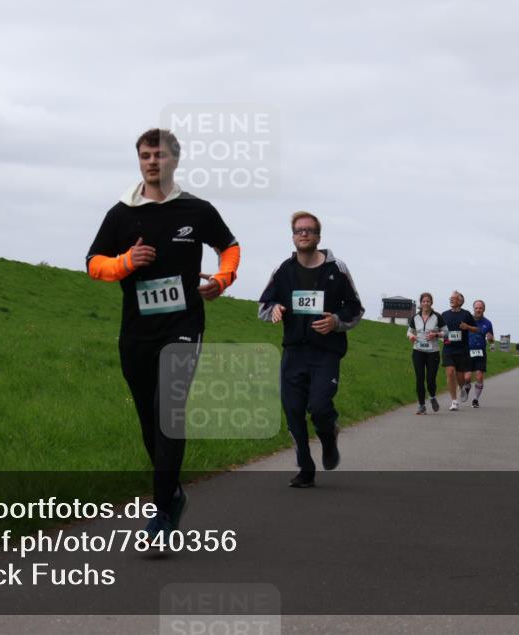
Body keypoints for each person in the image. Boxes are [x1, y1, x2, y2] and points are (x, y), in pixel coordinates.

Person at [87, 128, 240, 539]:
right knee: (148, 418)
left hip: (184, 326)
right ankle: (172, 494)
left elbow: (229, 246)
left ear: (175, 159)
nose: (152, 161)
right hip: (136, 332)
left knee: (168, 410)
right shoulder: (121, 213)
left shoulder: (196, 210)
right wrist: (125, 262)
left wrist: (222, 279)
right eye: (144, 155)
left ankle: (159, 514)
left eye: (159, 155)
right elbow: (93, 262)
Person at [258, 212, 364, 487]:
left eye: (309, 230)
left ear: (318, 236)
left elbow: (356, 308)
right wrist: (275, 309)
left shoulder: (336, 269)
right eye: (298, 230)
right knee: (292, 410)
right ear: (293, 237)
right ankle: (306, 468)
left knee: (318, 407)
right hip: (293, 351)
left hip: (326, 352)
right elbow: (264, 305)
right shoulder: (283, 270)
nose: (303, 234)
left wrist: (336, 321)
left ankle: (329, 438)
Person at [407, 292, 445, 414]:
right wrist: (411, 336)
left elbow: (446, 332)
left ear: (431, 303)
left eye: (428, 301)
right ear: (421, 303)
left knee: (430, 378)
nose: (426, 303)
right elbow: (409, 331)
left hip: (433, 352)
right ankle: (421, 405)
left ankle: (432, 397)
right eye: (424, 301)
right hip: (418, 351)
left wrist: (436, 334)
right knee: (419, 378)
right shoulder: (415, 317)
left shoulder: (437, 317)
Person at [440, 291, 478, 411]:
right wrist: (440, 335)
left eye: (454, 298)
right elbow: (439, 329)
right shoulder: (444, 315)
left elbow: (476, 329)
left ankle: (462, 388)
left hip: (462, 350)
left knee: (460, 377)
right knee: (450, 372)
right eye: (450, 298)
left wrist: (467, 327)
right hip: (448, 348)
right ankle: (454, 401)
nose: (451, 300)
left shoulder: (466, 314)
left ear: (460, 301)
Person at [462, 300, 495, 408]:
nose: (478, 310)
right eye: (476, 308)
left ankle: (475, 400)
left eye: (480, 308)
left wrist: (490, 339)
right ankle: (467, 387)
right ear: (473, 309)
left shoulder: (488, 323)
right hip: (468, 351)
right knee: (467, 378)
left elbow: (491, 339)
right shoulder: (467, 320)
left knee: (479, 376)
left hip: (480, 351)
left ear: (484, 309)